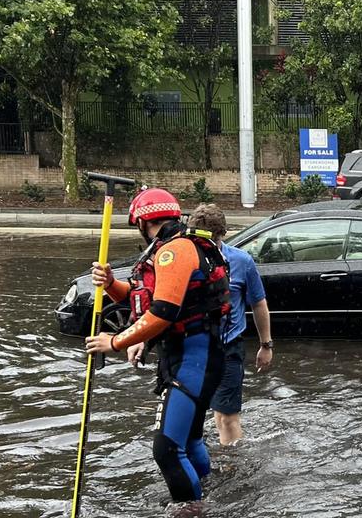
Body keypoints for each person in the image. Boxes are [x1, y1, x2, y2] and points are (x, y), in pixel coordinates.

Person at [84, 187, 230, 505]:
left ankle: (192, 510)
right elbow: (148, 300)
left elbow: (163, 313)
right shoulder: (181, 246)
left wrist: (116, 341)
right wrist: (111, 285)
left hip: (194, 358)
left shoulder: (173, 251)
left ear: (141, 221)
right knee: (189, 442)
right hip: (198, 356)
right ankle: (211, 496)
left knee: (166, 450)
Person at [187, 203, 273, 446]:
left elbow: (258, 304)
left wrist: (266, 345)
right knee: (204, 412)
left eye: (212, 241)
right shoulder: (182, 260)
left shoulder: (241, 261)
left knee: (227, 417)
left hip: (227, 348)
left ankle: (234, 468)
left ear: (222, 235)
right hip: (192, 348)